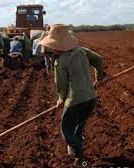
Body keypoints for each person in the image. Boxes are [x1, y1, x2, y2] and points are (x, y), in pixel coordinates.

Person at [39, 24, 107, 166]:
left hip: (75, 100)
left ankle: (79, 156)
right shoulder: (82, 51)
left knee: (66, 129)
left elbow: (61, 85)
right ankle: (76, 145)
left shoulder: (59, 62)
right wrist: (99, 76)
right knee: (79, 125)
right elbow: (98, 59)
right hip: (91, 97)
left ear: (56, 45)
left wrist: (61, 99)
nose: (51, 48)